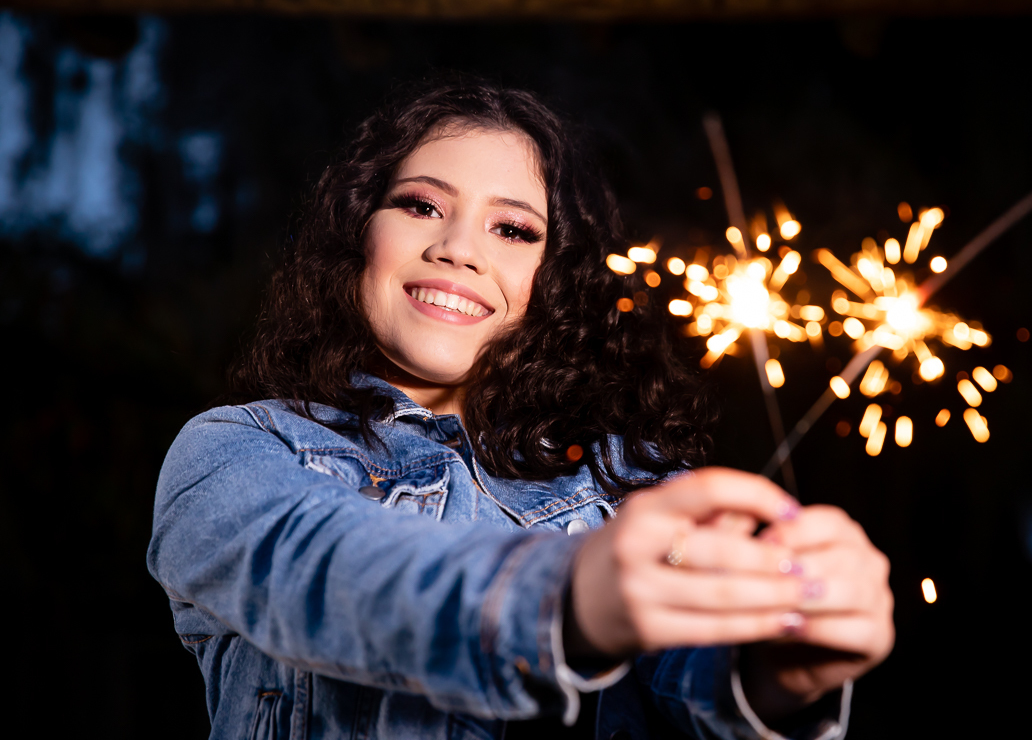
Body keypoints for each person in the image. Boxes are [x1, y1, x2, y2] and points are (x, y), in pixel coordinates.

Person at [147, 79, 894, 740]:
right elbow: (336, 573)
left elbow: (700, 678)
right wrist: (569, 600)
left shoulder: (632, 493)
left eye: (513, 229)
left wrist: (782, 670)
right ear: (356, 232)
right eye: (420, 205)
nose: (458, 248)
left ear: (558, 278)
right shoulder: (234, 454)